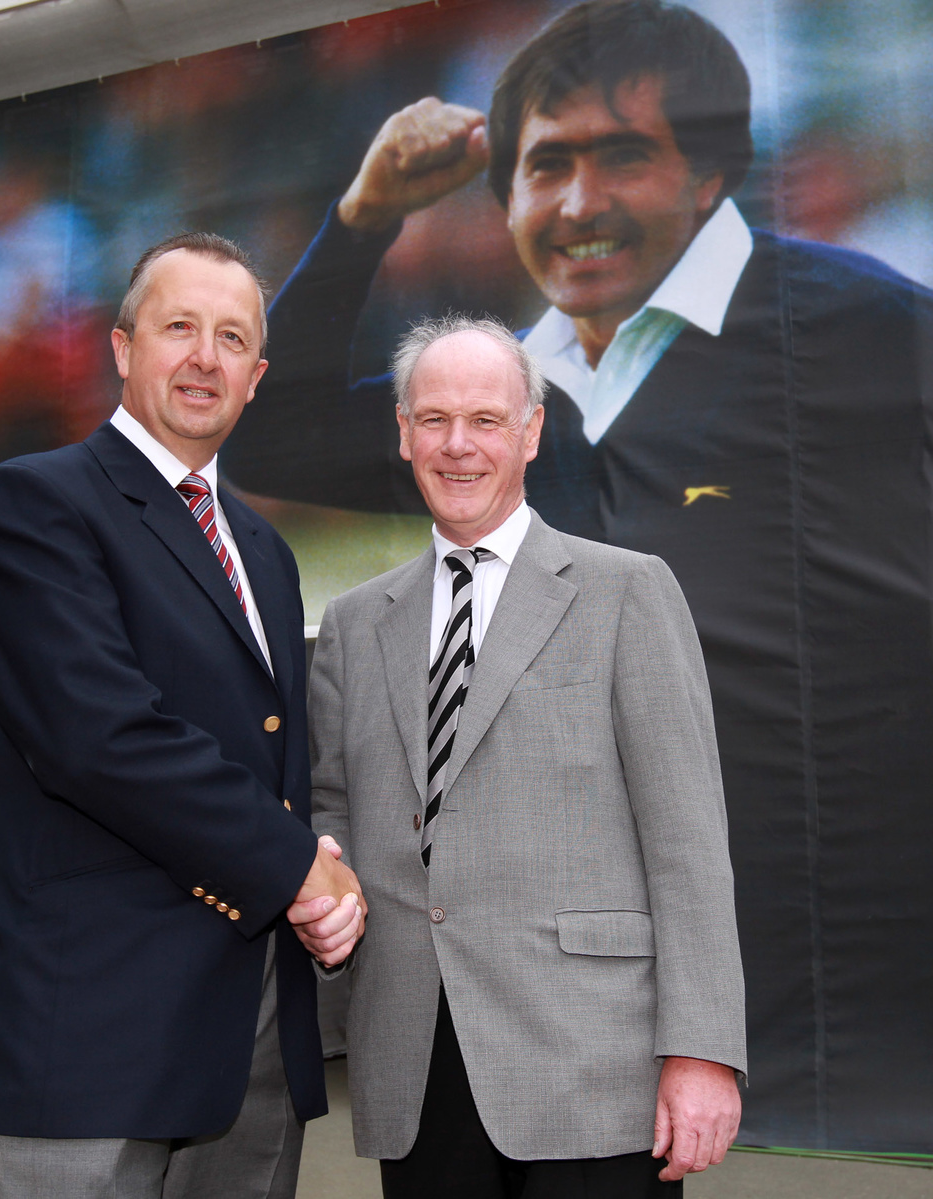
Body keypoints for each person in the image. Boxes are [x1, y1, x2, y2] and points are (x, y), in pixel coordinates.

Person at [220, 0, 933, 1188]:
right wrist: (364, 217)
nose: (577, 202)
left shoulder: (866, 341)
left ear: (713, 171)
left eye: (622, 155)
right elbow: (274, 436)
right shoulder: (520, 404)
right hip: (654, 1079)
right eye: (547, 165)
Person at [0, 231, 367, 1199]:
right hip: (99, 1027)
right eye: (179, 326)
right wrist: (296, 863)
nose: (204, 357)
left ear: (256, 378)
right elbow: (97, 738)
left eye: (232, 338)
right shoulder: (33, 505)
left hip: (254, 1038)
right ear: (122, 347)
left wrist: (324, 860)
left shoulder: (264, 551)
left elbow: (276, 758)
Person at [306, 313, 746, 1195]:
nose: (457, 444)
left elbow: (688, 844)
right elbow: (333, 817)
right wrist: (325, 894)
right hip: (415, 1065)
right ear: (403, 432)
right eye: (434, 419)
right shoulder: (353, 625)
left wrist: (702, 1051)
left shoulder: (627, 592)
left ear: (532, 431)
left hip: (594, 1064)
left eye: (486, 419)